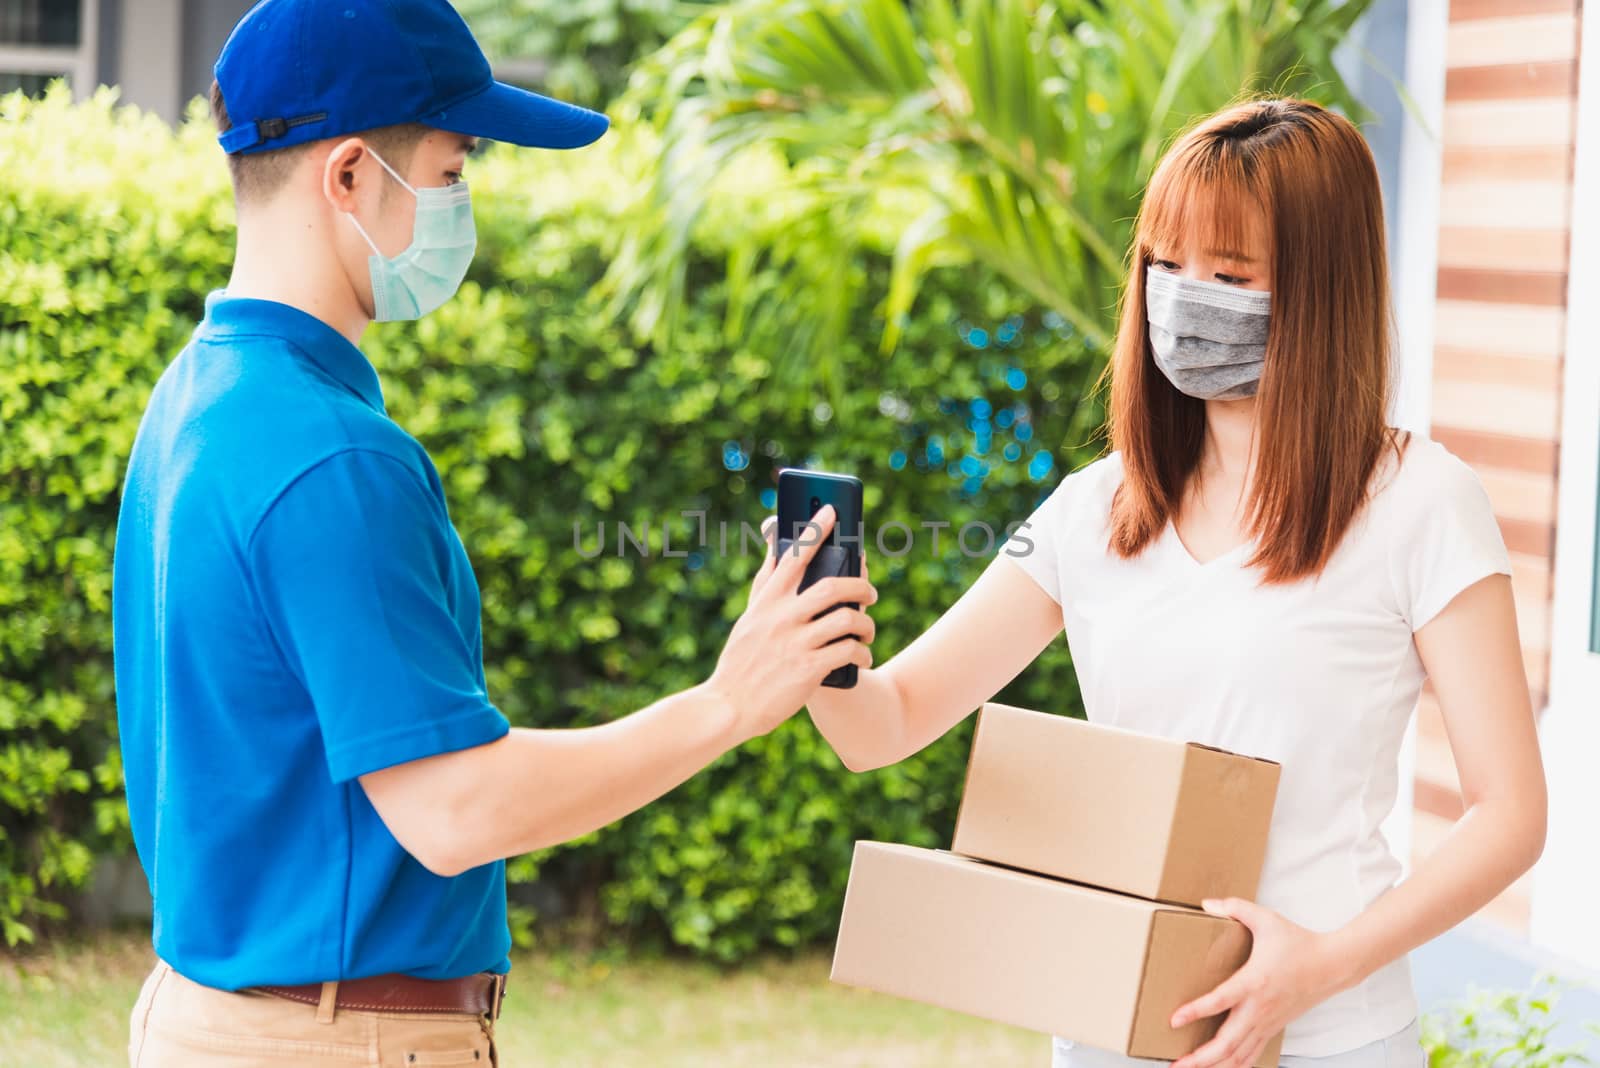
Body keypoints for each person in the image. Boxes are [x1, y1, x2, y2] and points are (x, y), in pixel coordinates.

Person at [112, 1, 875, 1064]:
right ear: (347, 176)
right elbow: (456, 809)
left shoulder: (198, 397)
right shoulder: (335, 459)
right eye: (453, 166)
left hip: (216, 1016)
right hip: (335, 1040)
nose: (460, 202)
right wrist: (730, 702)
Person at [804, 97, 1547, 1068]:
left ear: (1320, 288)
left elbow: (1510, 814)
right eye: (1163, 266)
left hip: (1331, 1039)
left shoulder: (1421, 503)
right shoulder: (1092, 508)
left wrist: (1316, 967)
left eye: (1227, 274)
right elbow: (887, 723)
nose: (1182, 298)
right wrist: (815, 651)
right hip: (1115, 1027)